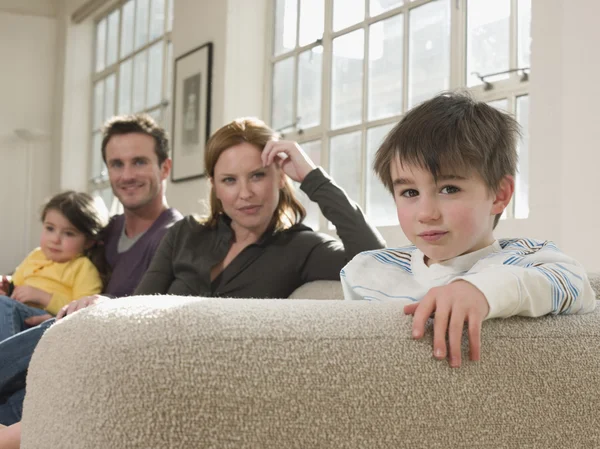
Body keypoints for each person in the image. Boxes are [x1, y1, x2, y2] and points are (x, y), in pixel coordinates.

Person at [341, 92, 596, 368]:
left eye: (449, 189)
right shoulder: (369, 269)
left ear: (499, 195)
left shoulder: (527, 258)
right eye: (409, 192)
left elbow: (576, 286)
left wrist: (480, 290)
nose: (426, 214)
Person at [0, 113, 183, 429]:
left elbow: (160, 319)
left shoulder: (176, 235)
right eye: (116, 164)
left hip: (100, 356)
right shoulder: (104, 231)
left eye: (139, 162)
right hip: (48, 346)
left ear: (165, 167)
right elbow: (54, 266)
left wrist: (74, 316)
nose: (127, 175)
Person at [133, 117, 386, 297]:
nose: (245, 194)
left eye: (257, 176)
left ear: (280, 178)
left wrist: (312, 177)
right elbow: (138, 308)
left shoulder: (302, 247)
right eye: (229, 180)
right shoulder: (183, 234)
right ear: (215, 186)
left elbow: (374, 264)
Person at [0, 191, 108, 342]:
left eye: (69, 233)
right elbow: (16, 286)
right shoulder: (35, 256)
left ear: (89, 241)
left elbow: (82, 311)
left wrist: (43, 297)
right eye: (50, 228)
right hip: (15, 315)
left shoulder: (83, 268)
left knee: (3, 305)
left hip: (47, 322)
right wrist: (7, 289)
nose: (55, 239)